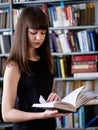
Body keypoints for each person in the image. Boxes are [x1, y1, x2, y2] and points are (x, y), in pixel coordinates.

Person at [2, 6, 67, 130]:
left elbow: (40, 96)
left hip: (48, 126)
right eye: (33, 33)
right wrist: (42, 115)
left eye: (43, 33)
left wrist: (55, 100)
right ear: (23, 31)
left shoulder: (45, 60)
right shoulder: (13, 66)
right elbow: (6, 114)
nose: (39, 38)